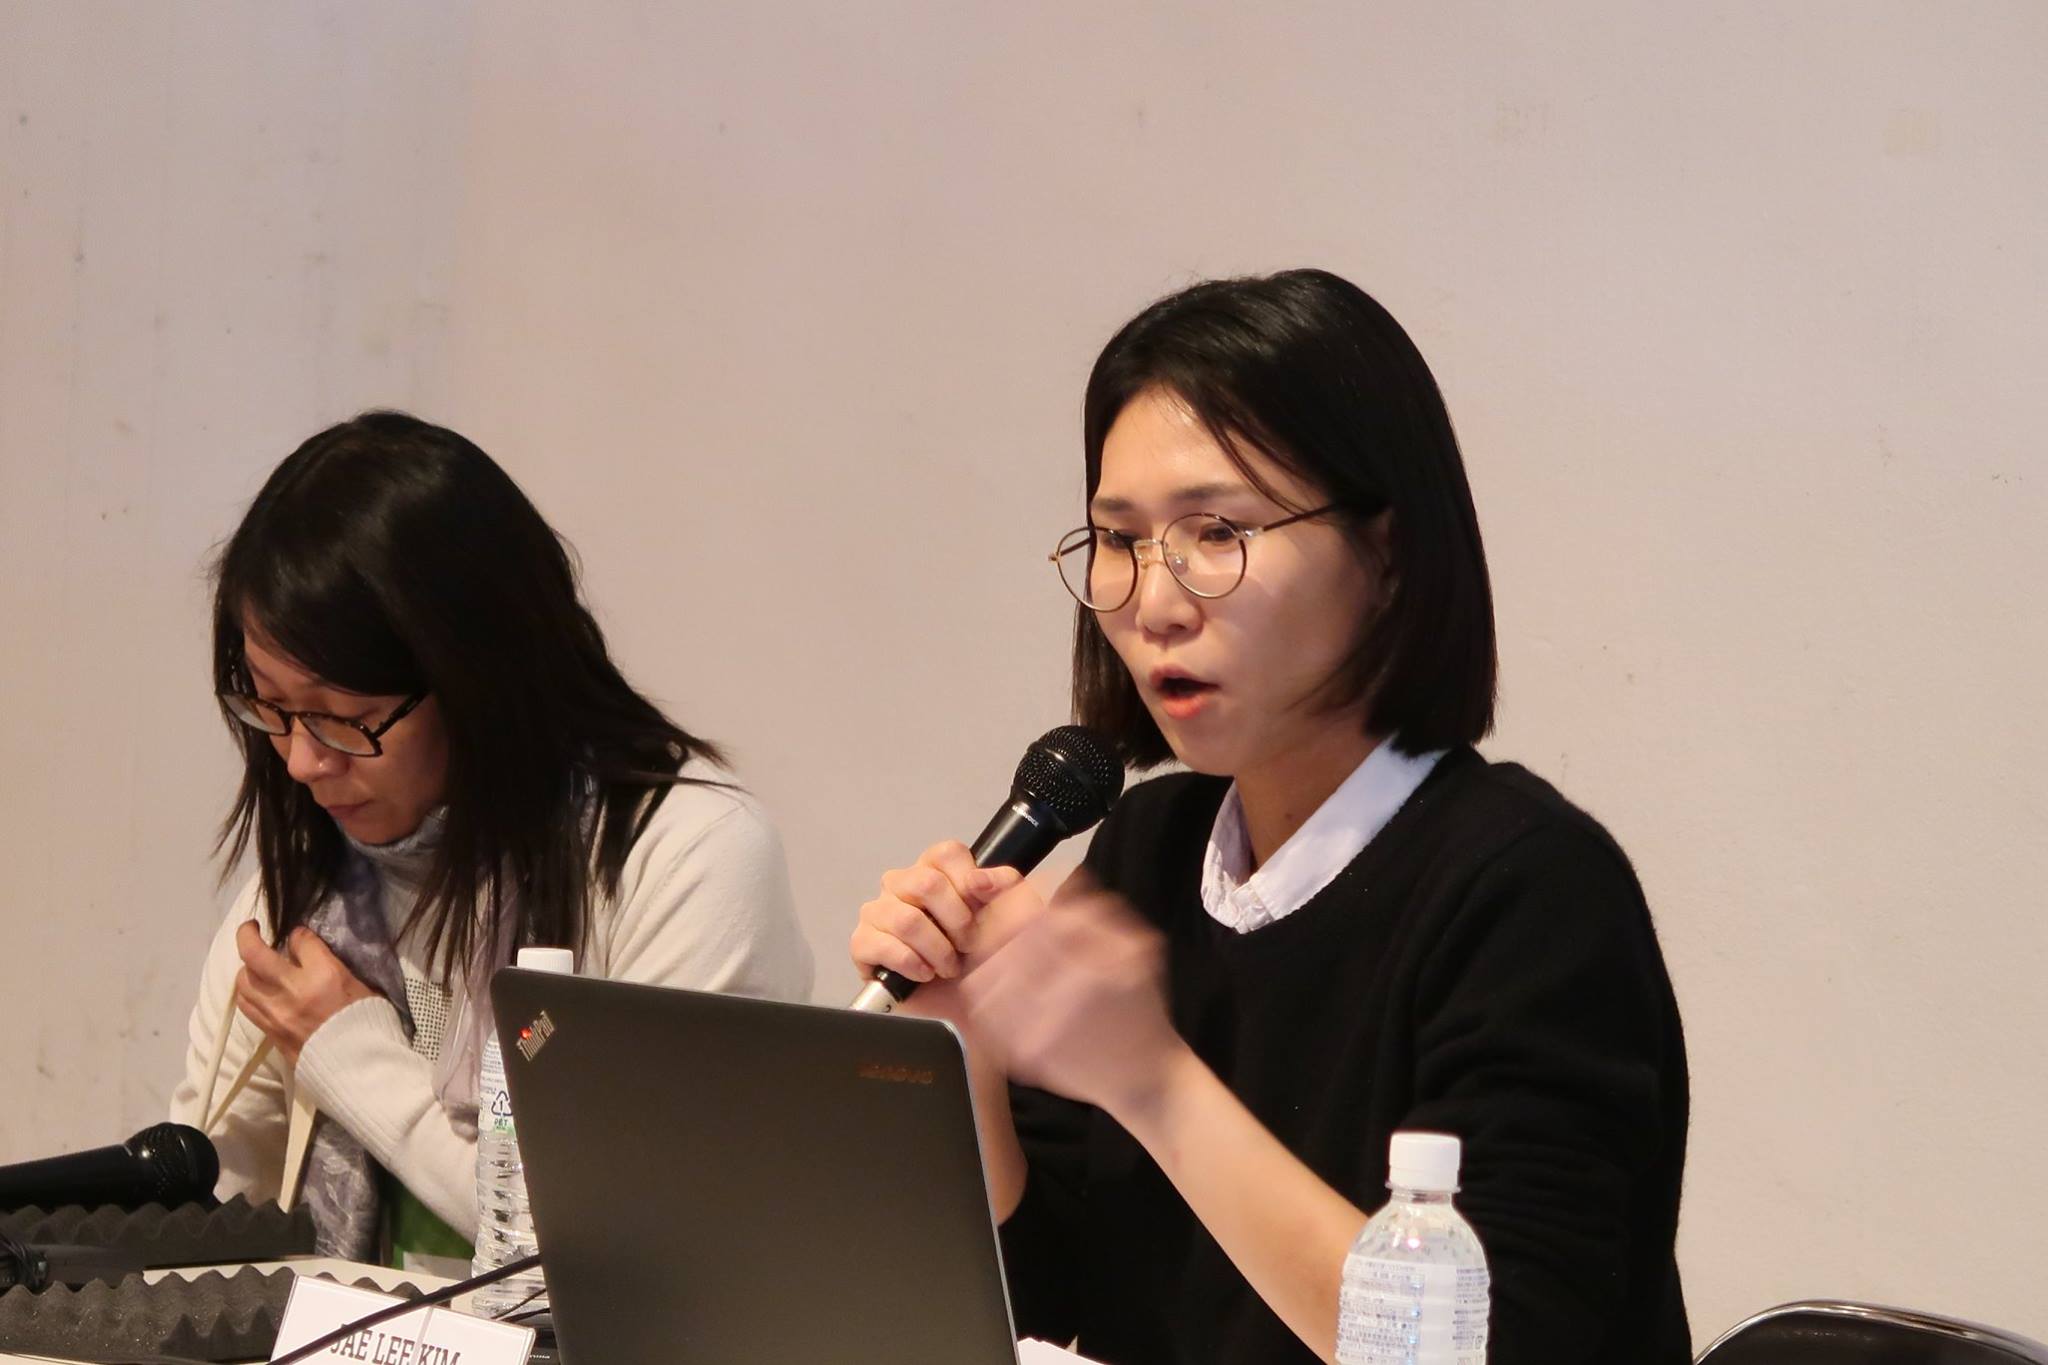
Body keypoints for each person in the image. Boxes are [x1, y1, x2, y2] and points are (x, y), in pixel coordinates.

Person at [850, 270, 1689, 1365]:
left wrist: (1151, 1080)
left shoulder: (1526, 888)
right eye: (1119, 540)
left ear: (1383, 554)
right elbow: (1052, 1296)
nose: (1155, 601)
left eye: (1214, 530)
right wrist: (953, 1046)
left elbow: (1493, 1348)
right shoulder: (1151, 847)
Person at [170, 411, 813, 1271]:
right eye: (271, 709)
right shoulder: (307, 884)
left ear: (479, 679)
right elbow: (208, 1193)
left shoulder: (685, 856)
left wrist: (353, 1057)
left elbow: (631, 1254)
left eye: (347, 719)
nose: (302, 762)